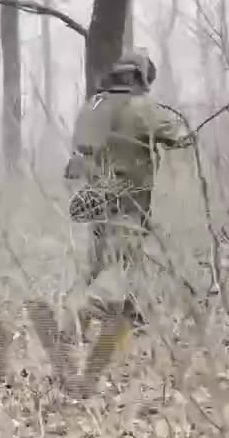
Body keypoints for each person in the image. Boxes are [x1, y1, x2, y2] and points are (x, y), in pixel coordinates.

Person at [64, 49, 193, 325]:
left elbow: (80, 147)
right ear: (139, 77)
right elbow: (182, 137)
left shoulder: (94, 104)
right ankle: (97, 307)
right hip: (130, 196)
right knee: (125, 257)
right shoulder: (142, 108)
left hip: (93, 194)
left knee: (98, 259)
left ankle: (109, 313)